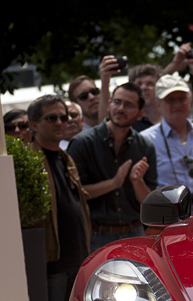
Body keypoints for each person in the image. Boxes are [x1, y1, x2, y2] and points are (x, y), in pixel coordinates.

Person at [27, 94, 91, 301]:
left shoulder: (66, 158)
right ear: (34, 125)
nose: (60, 123)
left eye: (63, 117)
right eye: (51, 118)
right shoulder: (29, 160)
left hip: (77, 258)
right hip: (53, 260)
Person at [67, 82, 158, 251]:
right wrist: (113, 183)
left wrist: (137, 181)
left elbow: (149, 202)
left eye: (128, 105)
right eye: (117, 102)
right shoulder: (82, 143)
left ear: (140, 114)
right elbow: (74, 194)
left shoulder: (145, 146)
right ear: (109, 105)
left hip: (135, 232)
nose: (121, 109)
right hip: (96, 236)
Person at [141, 74, 193, 200]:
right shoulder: (146, 140)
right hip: (169, 217)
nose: (177, 104)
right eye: (170, 100)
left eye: (182, 99)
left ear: (190, 103)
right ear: (158, 105)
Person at [128, 63, 162, 131]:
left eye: (150, 83)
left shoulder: (171, 119)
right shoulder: (127, 125)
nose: (143, 87)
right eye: (139, 84)